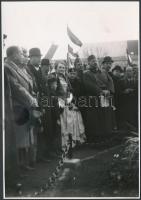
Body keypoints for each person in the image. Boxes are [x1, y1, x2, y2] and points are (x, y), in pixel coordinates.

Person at [4, 46, 38, 171]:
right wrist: (31, 99)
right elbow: (16, 87)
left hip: (23, 106)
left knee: (24, 137)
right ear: (13, 54)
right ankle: (19, 166)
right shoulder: (7, 67)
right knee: (19, 138)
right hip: (17, 107)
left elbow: (26, 85)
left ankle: (23, 164)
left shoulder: (16, 67)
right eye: (20, 53)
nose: (22, 56)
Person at [83, 55, 115, 143]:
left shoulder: (103, 73)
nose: (95, 62)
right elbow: (89, 85)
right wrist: (101, 91)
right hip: (94, 100)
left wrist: (109, 91)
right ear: (88, 63)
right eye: (92, 61)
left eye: (96, 60)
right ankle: (96, 138)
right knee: (95, 120)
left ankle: (106, 136)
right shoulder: (86, 74)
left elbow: (109, 82)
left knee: (105, 118)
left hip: (105, 99)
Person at [55, 62, 86, 149]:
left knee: (73, 120)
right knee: (65, 123)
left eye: (63, 68)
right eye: (60, 67)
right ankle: (65, 143)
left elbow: (69, 90)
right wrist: (62, 100)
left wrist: (70, 100)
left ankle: (73, 141)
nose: (62, 69)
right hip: (60, 102)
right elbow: (55, 91)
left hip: (67, 101)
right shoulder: (54, 78)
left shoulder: (65, 78)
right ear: (56, 68)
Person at [119, 66, 138, 130]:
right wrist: (124, 92)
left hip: (135, 103)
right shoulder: (121, 82)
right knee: (127, 118)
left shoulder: (137, 81)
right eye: (127, 71)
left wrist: (133, 91)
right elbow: (119, 93)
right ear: (125, 72)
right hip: (125, 104)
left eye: (130, 71)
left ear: (133, 72)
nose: (128, 73)